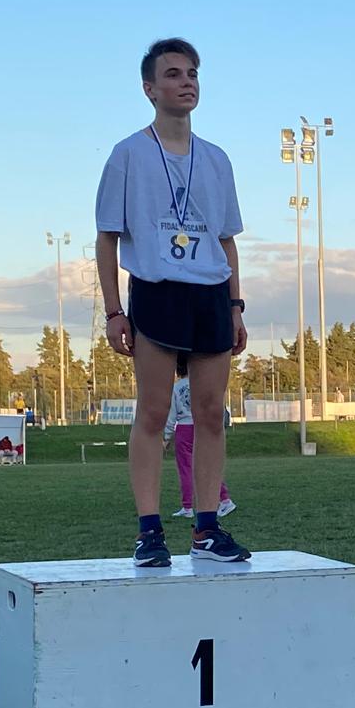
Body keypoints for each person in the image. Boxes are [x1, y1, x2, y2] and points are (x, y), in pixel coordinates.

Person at [96, 38, 250, 567]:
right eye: (174, 74)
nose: (187, 82)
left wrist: (235, 306)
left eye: (192, 74)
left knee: (210, 414)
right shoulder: (128, 155)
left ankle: (206, 529)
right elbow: (107, 238)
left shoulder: (217, 159)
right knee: (154, 411)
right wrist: (114, 311)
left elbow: (226, 240)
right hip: (156, 291)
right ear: (149, 89)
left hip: (210, 294)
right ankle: (149, 532)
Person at [165, 355, 234, 519]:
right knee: (208, 466)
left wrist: (166, 436)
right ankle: (224, 499)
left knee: (186, 469)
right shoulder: (203, 383)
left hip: (184, 429)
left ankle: (187, 506)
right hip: (203, 427)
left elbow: (171, 415)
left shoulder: (176, 388)